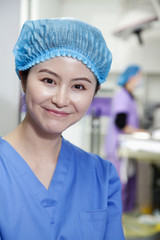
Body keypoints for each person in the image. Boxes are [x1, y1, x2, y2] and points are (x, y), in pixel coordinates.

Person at [0, 18, 125, 240]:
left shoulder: (102, 177)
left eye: (78, 86)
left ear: (94, 93)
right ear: (23, 79)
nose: (61, 99)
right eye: (49, 80)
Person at [105, 65, 144, 213]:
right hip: (118, 148)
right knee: (119, 185)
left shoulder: (129, 96)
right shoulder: (122, 96)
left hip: (126, 148)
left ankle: (124, 217)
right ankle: (116, 219)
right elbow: (120, 123)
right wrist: (142, 132)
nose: (139, 80)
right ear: (130, 78)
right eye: (138, 77)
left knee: (128, 182)